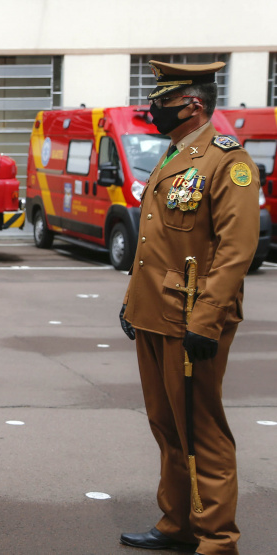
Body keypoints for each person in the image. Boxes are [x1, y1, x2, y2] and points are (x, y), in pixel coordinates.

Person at [118, 61, 260, 555]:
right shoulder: (176, 155)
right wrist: (130, 303)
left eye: (162, 101)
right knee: (166, 425)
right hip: (154, 312)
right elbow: (156, 244)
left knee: (201, 429)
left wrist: (206, 320)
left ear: (192, 104)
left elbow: (235, 250)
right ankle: (177, 521)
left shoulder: (228, 162)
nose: (153, 109)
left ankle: (217, 538)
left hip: (190, 319)